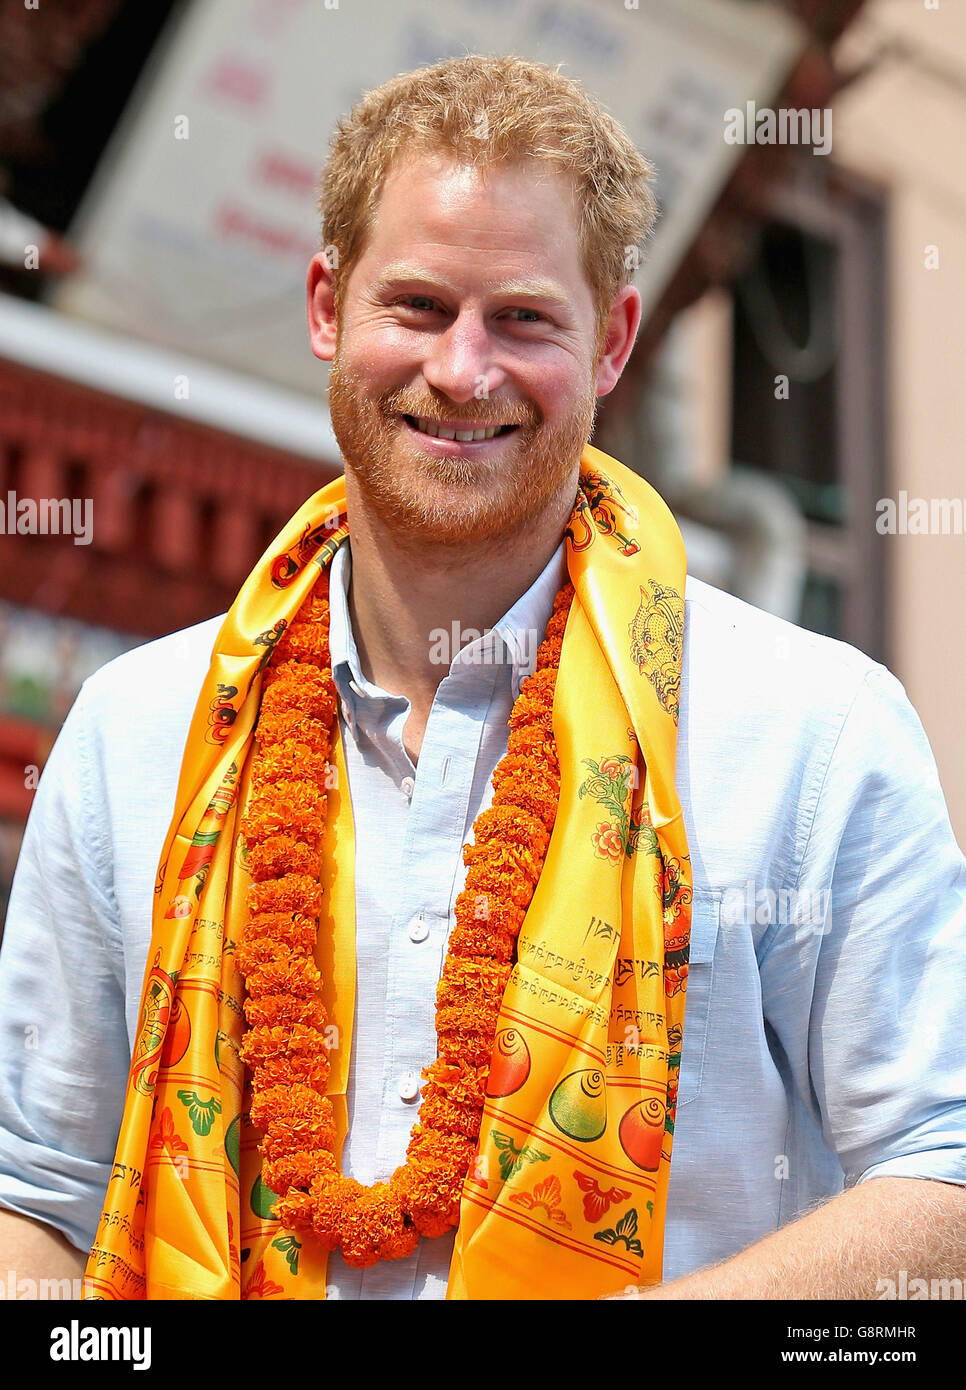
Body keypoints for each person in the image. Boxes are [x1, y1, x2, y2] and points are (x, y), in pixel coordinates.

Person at [0, 54, 964, 1301]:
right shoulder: (140, 731)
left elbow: (943, 1172)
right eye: (414, 307)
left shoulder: (810, 732)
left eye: (522, 317)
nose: (462, 371)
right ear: (324, 308)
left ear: (614, 341)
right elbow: (36, 1194)